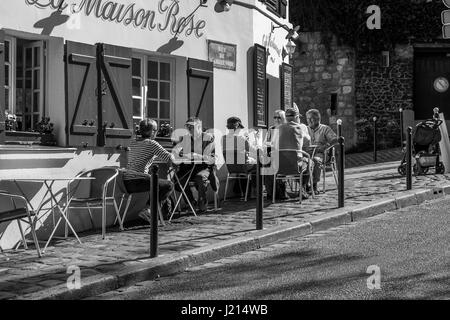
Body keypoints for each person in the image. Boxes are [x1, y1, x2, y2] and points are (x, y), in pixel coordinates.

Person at [121, 119, 175, 222]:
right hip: (139, 181)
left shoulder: (132, 142)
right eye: (156, 130)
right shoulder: (151, 143)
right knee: (168, 185)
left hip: (126, 182)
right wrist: (174, 154)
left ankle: (160, 215)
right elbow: (169, 158)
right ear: (152, 132)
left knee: (157, 184)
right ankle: (148, 210)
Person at [172, 117, 219, 213]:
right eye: (187, 126)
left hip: (203, 167)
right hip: (188, 167)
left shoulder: (208, 138)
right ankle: (190, 202)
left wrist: (198, 156)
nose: (189, 129)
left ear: (199, 127)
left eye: (191, 127)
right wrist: (180, 154)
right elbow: (177, 151)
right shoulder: (185, 138)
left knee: (200, 178)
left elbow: (212, 158)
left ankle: (202, 201)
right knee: (179, 178)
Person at [222, 116, 257, 197]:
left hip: (231, 167)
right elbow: (253, 150)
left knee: (243, 164)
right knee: (258, 164)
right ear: (237, 126)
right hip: (244, 166)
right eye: (240, 128)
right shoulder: (242, 138)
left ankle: (242, 191)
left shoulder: (223, 138)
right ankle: (255, 191)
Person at [305, 108, 338, 194]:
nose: (308, 120)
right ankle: (304, 185)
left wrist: (324, 147)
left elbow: (335, 140)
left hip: (321, 154)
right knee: (302, 160)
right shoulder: (305, 129)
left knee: (315, 160)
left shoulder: (325, 128)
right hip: (308, 153)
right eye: (307, 118)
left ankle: (314, 185)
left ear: (318, 119)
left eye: (311, 118)